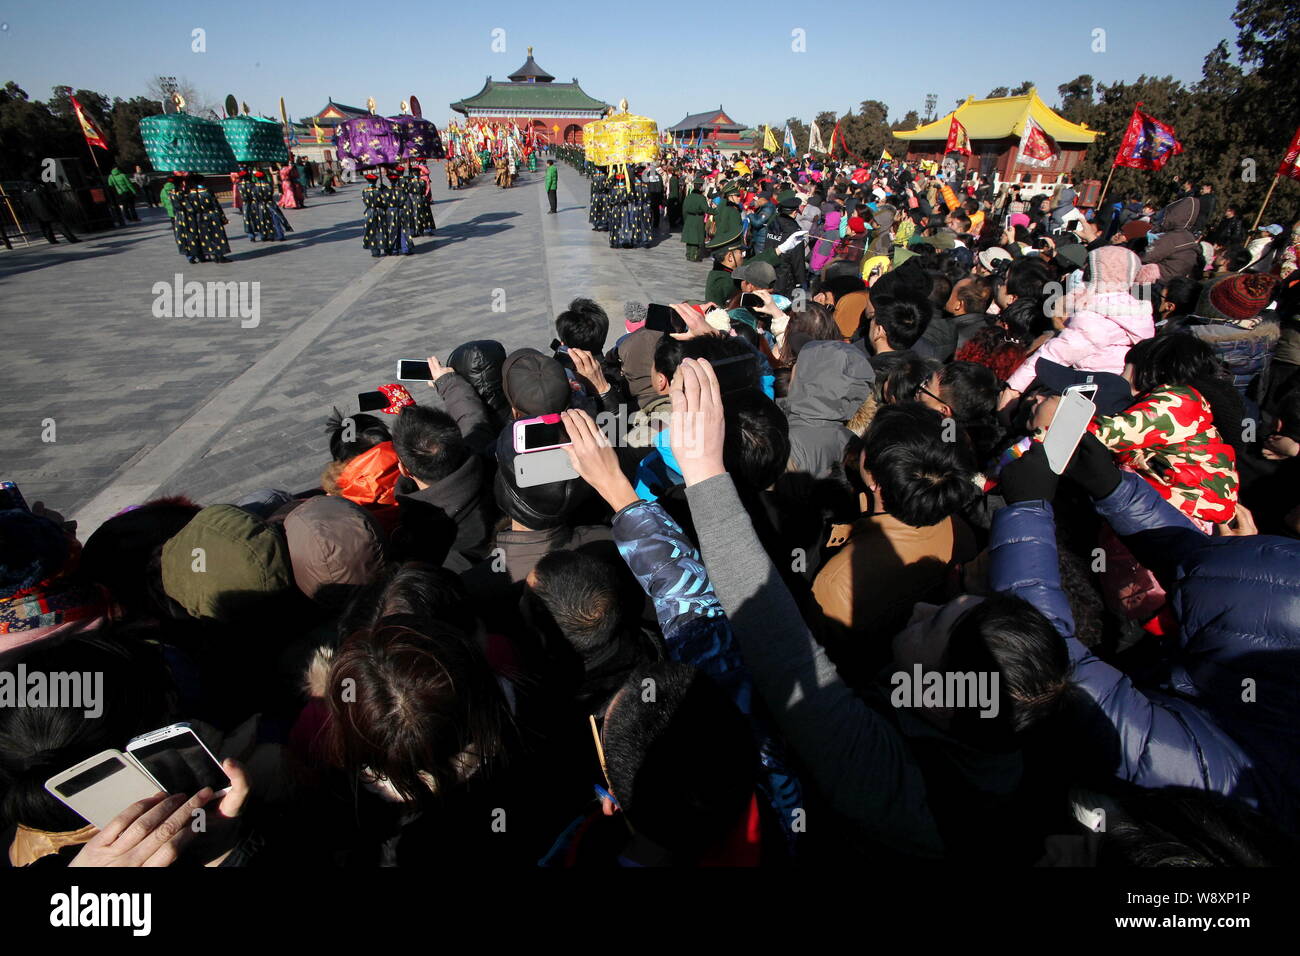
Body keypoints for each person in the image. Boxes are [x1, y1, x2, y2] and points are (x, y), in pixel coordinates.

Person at [681, 178, 709, 262]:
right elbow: (706, 209)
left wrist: (685, 219)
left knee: (689, 238)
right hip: (698, 219)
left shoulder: (688, 197)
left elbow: (684, 209)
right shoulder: (702, 198)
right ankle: (693, 256)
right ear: (700, 187)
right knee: (696, 239)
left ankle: (688, 254)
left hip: (689, 218)